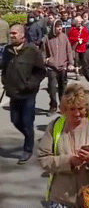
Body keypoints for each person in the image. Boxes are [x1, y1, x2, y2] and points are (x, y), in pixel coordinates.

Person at [37, 83, 89, 207]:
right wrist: (69, 161)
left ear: (86, 108)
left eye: (80, 108)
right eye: (72, 109)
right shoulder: (54, 127)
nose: (77, 113)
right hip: (62, 198)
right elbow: (43, 158)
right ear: (64, 109)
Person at [0, 25, 46, 164]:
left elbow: (40, 72)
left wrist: (30, 84)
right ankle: (30, 137)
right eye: (10, 34)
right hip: (13, 92)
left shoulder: (32, 50)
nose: (12, 36)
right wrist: (5, 80)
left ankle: (27, 148)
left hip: (28, 94)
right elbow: (4, 66)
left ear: (22, 35)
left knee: (26, 122)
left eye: (14, 33)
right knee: (15, 121)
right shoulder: (7, 50)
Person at [42, 19, 74, 116]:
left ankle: (63, 107)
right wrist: (45, 60)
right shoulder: (47, 38)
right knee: (52, 88)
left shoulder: (64, 37)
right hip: (51, 67)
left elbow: (69, 51)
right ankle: (53, 106)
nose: (59, 28)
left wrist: (70, 63)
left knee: (63, 89)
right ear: (53, 28)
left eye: (60, 27)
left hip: (63, 66)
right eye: (57, 27)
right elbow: (43, 52)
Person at [68, 16, 89, 80]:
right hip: (75, 47)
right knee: (76, 61)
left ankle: (83, 71)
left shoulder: (84, 29)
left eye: (80, 22)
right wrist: (76, 39)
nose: (79, 23)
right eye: (77, 22)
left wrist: (82, 40)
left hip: (83, 47)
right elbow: (69, 38)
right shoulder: (72, 30)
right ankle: (77, 72)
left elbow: (87, 37)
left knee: (83, 60)